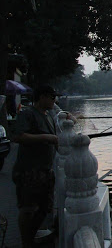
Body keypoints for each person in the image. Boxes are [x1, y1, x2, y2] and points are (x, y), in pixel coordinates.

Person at [11, 85, 59, 247]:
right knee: (28, 209)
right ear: (42, 97)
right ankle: (26, 243)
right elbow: (18, 136)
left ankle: (31, 237)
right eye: (52, 97)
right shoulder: (28, 114)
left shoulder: (49, 116)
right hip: (28, 170)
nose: (55, 100)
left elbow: (55, 139)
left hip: (46, 171)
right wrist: (47, 137)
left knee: (46, 208)